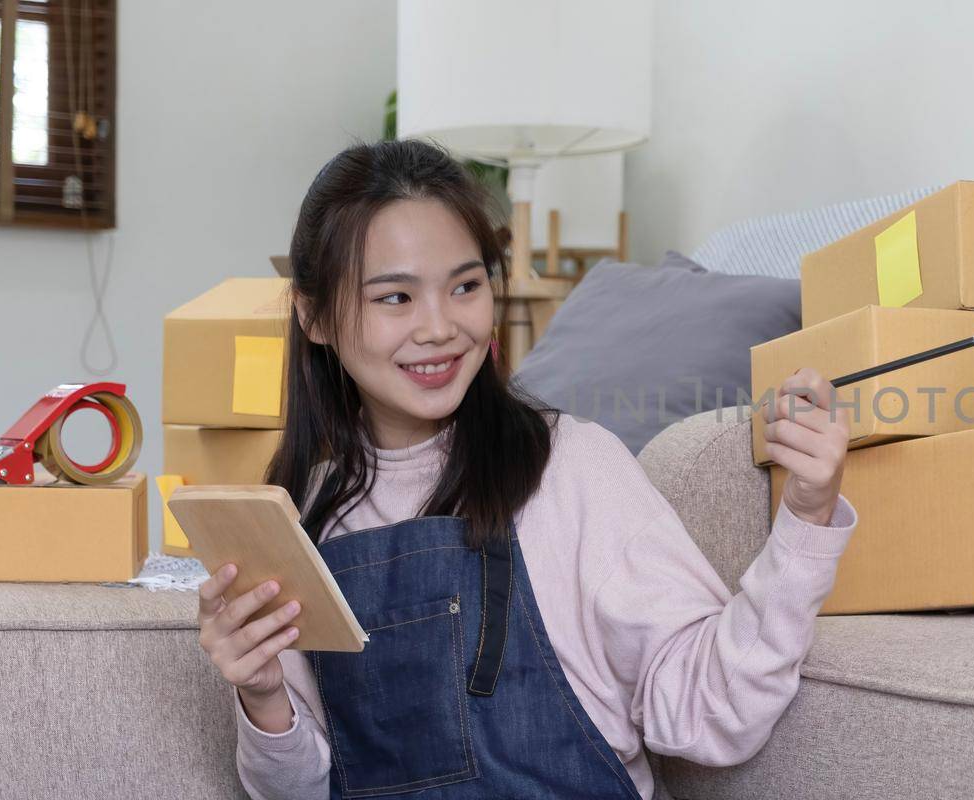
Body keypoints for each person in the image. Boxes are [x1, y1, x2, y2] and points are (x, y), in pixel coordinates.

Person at [195, 139, 855, 799]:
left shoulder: (570, 467)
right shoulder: (301, 519)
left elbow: (711, 712)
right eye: (395, 298)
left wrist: (805, 516)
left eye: (465, 286)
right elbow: (298, 791)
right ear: (313, 315)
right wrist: (261, 694)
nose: (439, 327)